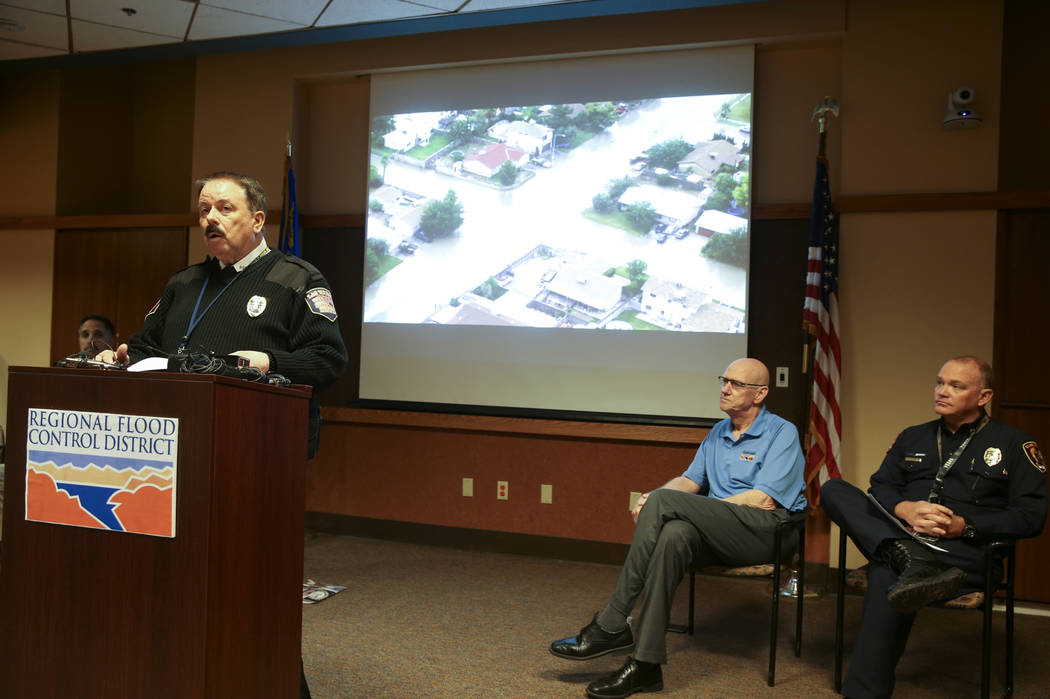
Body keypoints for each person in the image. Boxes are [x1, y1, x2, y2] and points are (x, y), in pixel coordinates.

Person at [549, 358, 807, 698]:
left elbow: (762, 499)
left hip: (767, 532)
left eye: (736, 384)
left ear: (759, 393)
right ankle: (645, 666)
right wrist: (655, 497)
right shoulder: (718, 432)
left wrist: (687, 507)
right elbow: (689, 481)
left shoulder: (781, 432)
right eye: (723, 380)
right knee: (673, 535)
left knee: (664, 505)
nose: (725, 389)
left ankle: (612, 623)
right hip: (722, 530)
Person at [821, 355, 1047, 698]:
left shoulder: (1016, 444)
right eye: (940, 382)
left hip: (963, 554)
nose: (943, 391)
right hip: (904, 535)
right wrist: (905, 508)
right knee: (834, 489)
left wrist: (964, 526)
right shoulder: (913, 436)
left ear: (984, 397)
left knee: (886, 571)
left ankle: (863, 694)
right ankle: (904, 554)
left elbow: (1031, 516)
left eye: (956, 386)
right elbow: (880, 487)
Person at [96, 171, 348, 458]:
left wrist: (268, 361)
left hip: (260, 446)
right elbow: (145, 350)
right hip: (176, 441)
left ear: (258, 220)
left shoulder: (297, 279)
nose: (211, 218)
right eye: (204, 211)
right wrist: (121, 359)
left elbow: (329, 360)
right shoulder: (184, 282)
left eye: (225, 208)